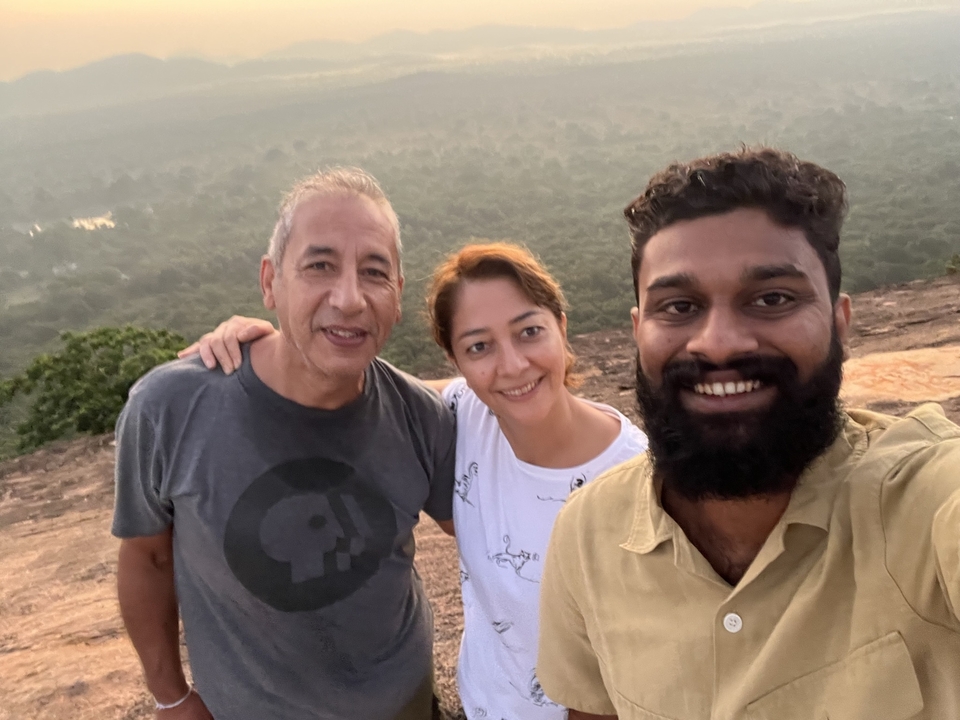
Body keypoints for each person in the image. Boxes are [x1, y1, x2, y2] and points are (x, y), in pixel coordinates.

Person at [536, 147, 960, 719]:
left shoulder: (926, 501)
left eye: (772, 299)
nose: (719, 343)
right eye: (679, 306)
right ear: (638, 331)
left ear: (839, 322)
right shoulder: (587, 535)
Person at [183, 242, 648, 720]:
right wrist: (271, 343)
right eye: (479, 347)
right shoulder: (462, 415)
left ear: (562, 327)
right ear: (456, 361)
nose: (511, 365)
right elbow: (357, 393)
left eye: (529, 331)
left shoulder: (638, 484)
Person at [112, 167, 456, 720]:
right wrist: (170, 696)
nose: (349, 299)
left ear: (397, 296)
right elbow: (147, 557)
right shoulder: (170, 409)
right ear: (271, 281)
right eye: (319, 266)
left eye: (374, 272)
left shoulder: (421, 417)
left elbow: (497, 537)